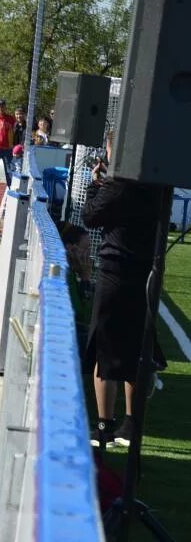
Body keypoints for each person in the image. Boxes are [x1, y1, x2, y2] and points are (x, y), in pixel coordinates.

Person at [82, 134, 167, 450]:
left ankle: (104, 425)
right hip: (147, 271)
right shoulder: (157, 184)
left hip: (116, 269)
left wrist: (96, 185)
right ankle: (132, 424)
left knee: (104, 348)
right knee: (137, 347)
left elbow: (91, 216)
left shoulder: (119, 184)